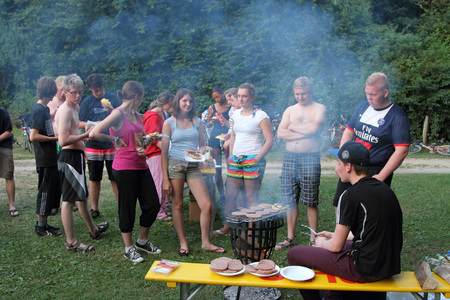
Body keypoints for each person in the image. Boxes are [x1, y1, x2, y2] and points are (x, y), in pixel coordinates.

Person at [287, 141, 403, 300]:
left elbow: (335, 247)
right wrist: (331, 234)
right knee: (338, 247)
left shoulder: (350, 195)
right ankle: (334, 294)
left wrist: (321, 244)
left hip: (365, 270)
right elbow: (371, 233)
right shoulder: (384, 189)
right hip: (387, 267)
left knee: (295, 254)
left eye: (338, 163)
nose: (336, 168)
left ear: (349, 167)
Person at [90, 81, 162, 263]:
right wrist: (115, 138)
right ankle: (128, 248)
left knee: (153, 203)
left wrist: (146, 143)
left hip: (141, 164)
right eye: (142, 96)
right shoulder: (117, 114)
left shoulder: (136, 115)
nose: (142, 100)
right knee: (127, 207)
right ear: (137, 96)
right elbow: (95, 132)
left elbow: (138, 138)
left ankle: (142, 241)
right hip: (124, 167)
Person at [161, 88, 226, 255]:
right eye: (184, 101)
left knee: (207, 204)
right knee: (177, 205)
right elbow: (164, 152)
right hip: (176, 164)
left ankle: (206, 242)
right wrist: (165, 179)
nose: (187, 104)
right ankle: (183, 242)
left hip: (193, 165)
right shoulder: (169, 123)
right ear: (178, 102)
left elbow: (202, 145)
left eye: (190, 101)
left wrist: (203, 153)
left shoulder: (197, 122)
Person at [332, 72, 410, 208]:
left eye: (373, 95)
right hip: (352, 165)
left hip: (375, 169)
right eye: (367, 93)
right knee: (342, 202)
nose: (369, 98)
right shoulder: (363, 107)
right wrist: (342, 161)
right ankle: (342, 230)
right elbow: (348, 132)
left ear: (385, 92)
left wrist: (381, 176)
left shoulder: (397, 116)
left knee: (368, 209)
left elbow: (401, 150)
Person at [56, 74, 108, 252]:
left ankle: (93, 229)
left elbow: (74, 130)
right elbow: (63, 140)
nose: (78, 96)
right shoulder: (64, 111)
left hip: (76, 156)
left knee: (82, 198)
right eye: (73, 93)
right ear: (64, 92)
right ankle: (71, 242)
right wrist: (85, 135)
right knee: (69, 201)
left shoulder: (75, 106)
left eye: (80, 92)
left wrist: (85, 133)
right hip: (68, 157)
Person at [213, 83, 273, 236]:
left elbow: (269, 140)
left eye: (244, 96)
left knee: (251, 196)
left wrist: (257, 158)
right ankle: (227, 227)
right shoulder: (235, 114)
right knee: (230, 195)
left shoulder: (260, 115)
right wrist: (231, 157)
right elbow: (233, 136)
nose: (241, 99)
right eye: (239, 96)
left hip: (252, 158)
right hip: (236, 159)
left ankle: (252, 231)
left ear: (252, 97)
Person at [275, 76, 326, 249]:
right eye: (297, 94)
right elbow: (280, 134)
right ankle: (290, 237)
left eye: (303, 94)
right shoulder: (290, 110)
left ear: (310, 92)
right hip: (290, 156)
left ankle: (313, 238)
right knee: (290, 199)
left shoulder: (319, 108)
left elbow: (314, 129)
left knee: (311, 200)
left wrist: (293, 128)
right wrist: (304, 132)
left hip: (310, 157)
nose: (300, 97)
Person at [79, 73, 121, 219]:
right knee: (94, 177)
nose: (99, 92)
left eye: (101, 88)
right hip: (94, 145)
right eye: (96, 90)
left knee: (114, 176)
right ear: (90, 89)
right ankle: (94, 208)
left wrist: (111, 111)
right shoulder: (86, 102)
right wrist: (93, 125)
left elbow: (121, 116)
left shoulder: (113, 99)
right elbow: (79, 122)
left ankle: (121, 206)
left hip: (111, 143)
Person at [29, 76, 62, 236]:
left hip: (50, 157)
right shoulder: (38, 110)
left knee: (51, 190)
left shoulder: (44, 109)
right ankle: (40, 226)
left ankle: (46, 223)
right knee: (44, 191)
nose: (52, 97)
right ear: (48, 92)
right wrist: (55, 139)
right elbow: (33, 136)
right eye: (52, 93)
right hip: (44, 158)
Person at [142, 91, 174, 220]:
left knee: (161, 182)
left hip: (160, 153)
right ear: (165, 103)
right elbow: (153, 137)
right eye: (171, 104)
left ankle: (163, 208)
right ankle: (157, 212)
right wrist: (168, 150)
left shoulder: (161, 114)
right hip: (155, 154)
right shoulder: (153, 115)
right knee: (158, 182)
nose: (172, 107)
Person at [206, 86, 231, 205]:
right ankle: (222, 196)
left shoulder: (230, 106)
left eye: (218, 96)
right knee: (217, 168)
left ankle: (231, 193)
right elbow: (207, 125)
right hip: (215, 138)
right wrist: (211, 121)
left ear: (223, 94)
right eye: (214, 98)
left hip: (228, 137)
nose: (217, 99)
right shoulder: (212, 107)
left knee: (231, 167)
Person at [0, 107, 18, 217]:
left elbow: (8, 131)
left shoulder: (3, 113)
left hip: (4, 146)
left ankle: (11, 205)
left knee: (9, 174)